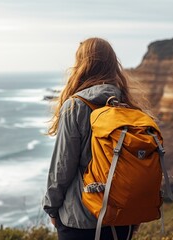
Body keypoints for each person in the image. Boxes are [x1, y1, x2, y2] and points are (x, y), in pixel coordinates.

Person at [42, 37, 148, 240]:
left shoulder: (75, 107)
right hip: (122, 216)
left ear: (82, 65)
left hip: (81, 219)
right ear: (111, 66)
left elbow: (62, 168)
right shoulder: (127, 106)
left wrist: (52, 208)